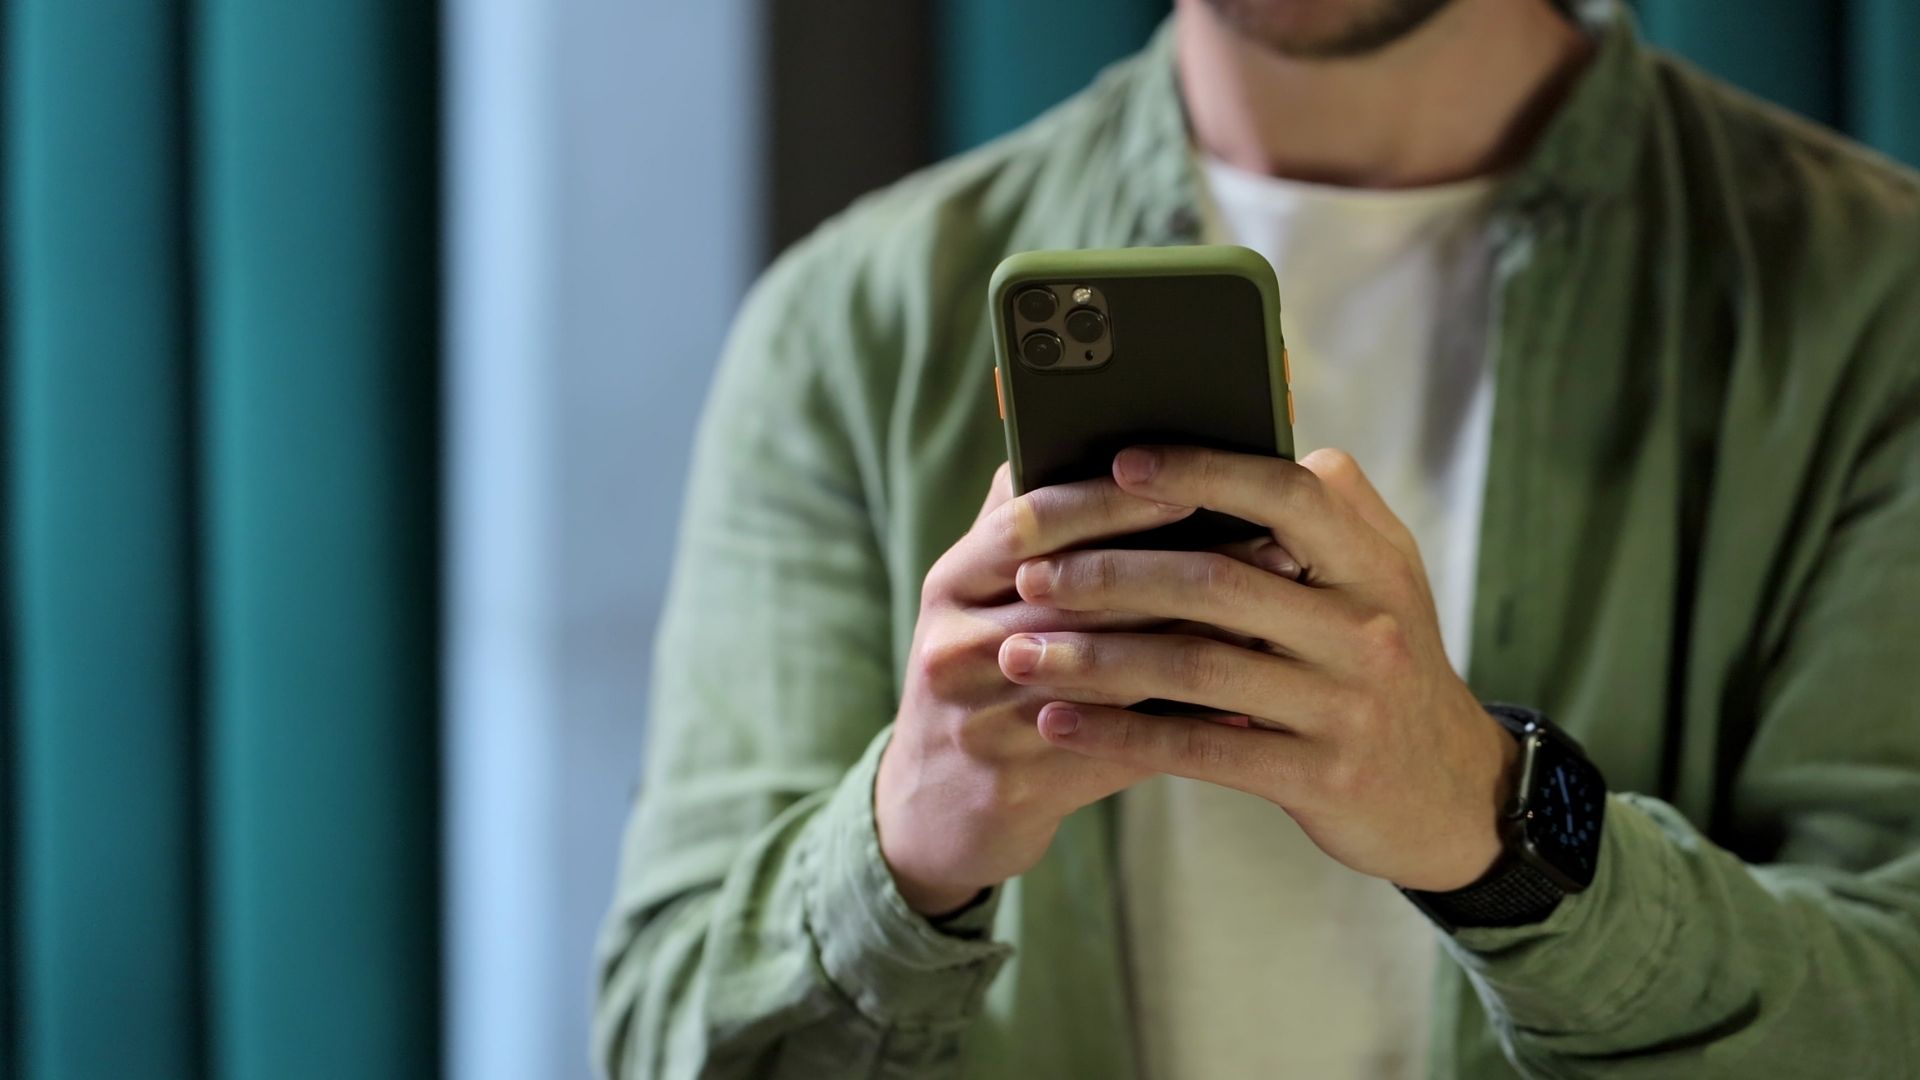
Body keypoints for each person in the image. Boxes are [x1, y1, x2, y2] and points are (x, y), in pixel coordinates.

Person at [594, 0, 1920, 1075]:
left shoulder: (1876, 305)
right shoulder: (852, 330)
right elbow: (667, 1035)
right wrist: (901, 851)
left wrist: (1495, 825)